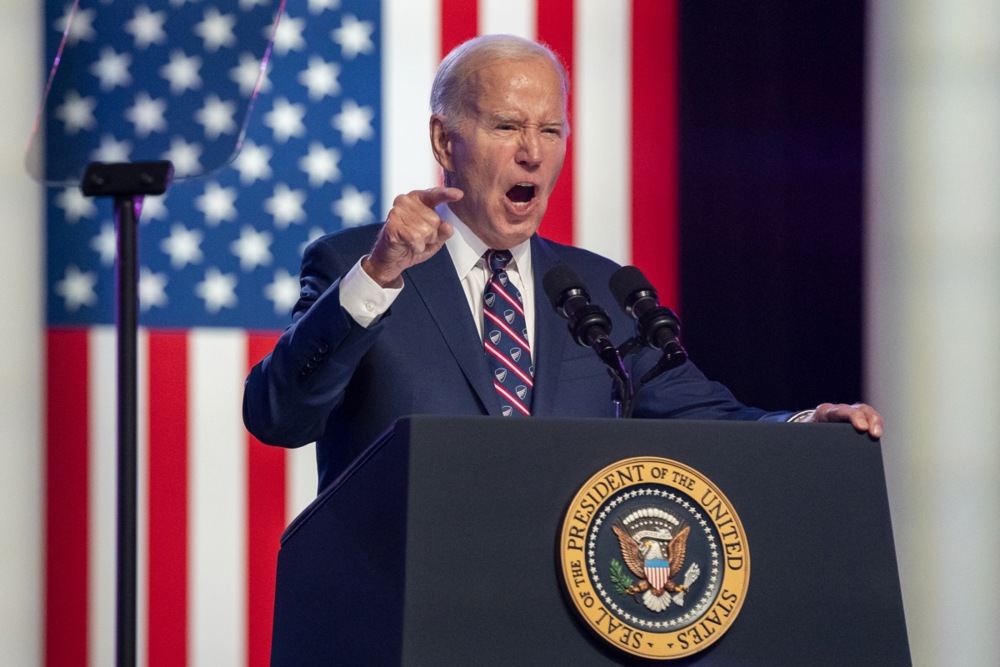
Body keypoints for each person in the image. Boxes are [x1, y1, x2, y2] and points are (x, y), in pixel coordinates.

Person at [243, 34, 883, 492]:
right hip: (402, 607)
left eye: (550, 131)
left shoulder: (602, 289)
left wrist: (804, 424)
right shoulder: (358, 266)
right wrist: (378, 277)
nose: (532, 153)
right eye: (506, 127)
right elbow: (280, 417)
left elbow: (705, 419)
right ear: (445, 140)